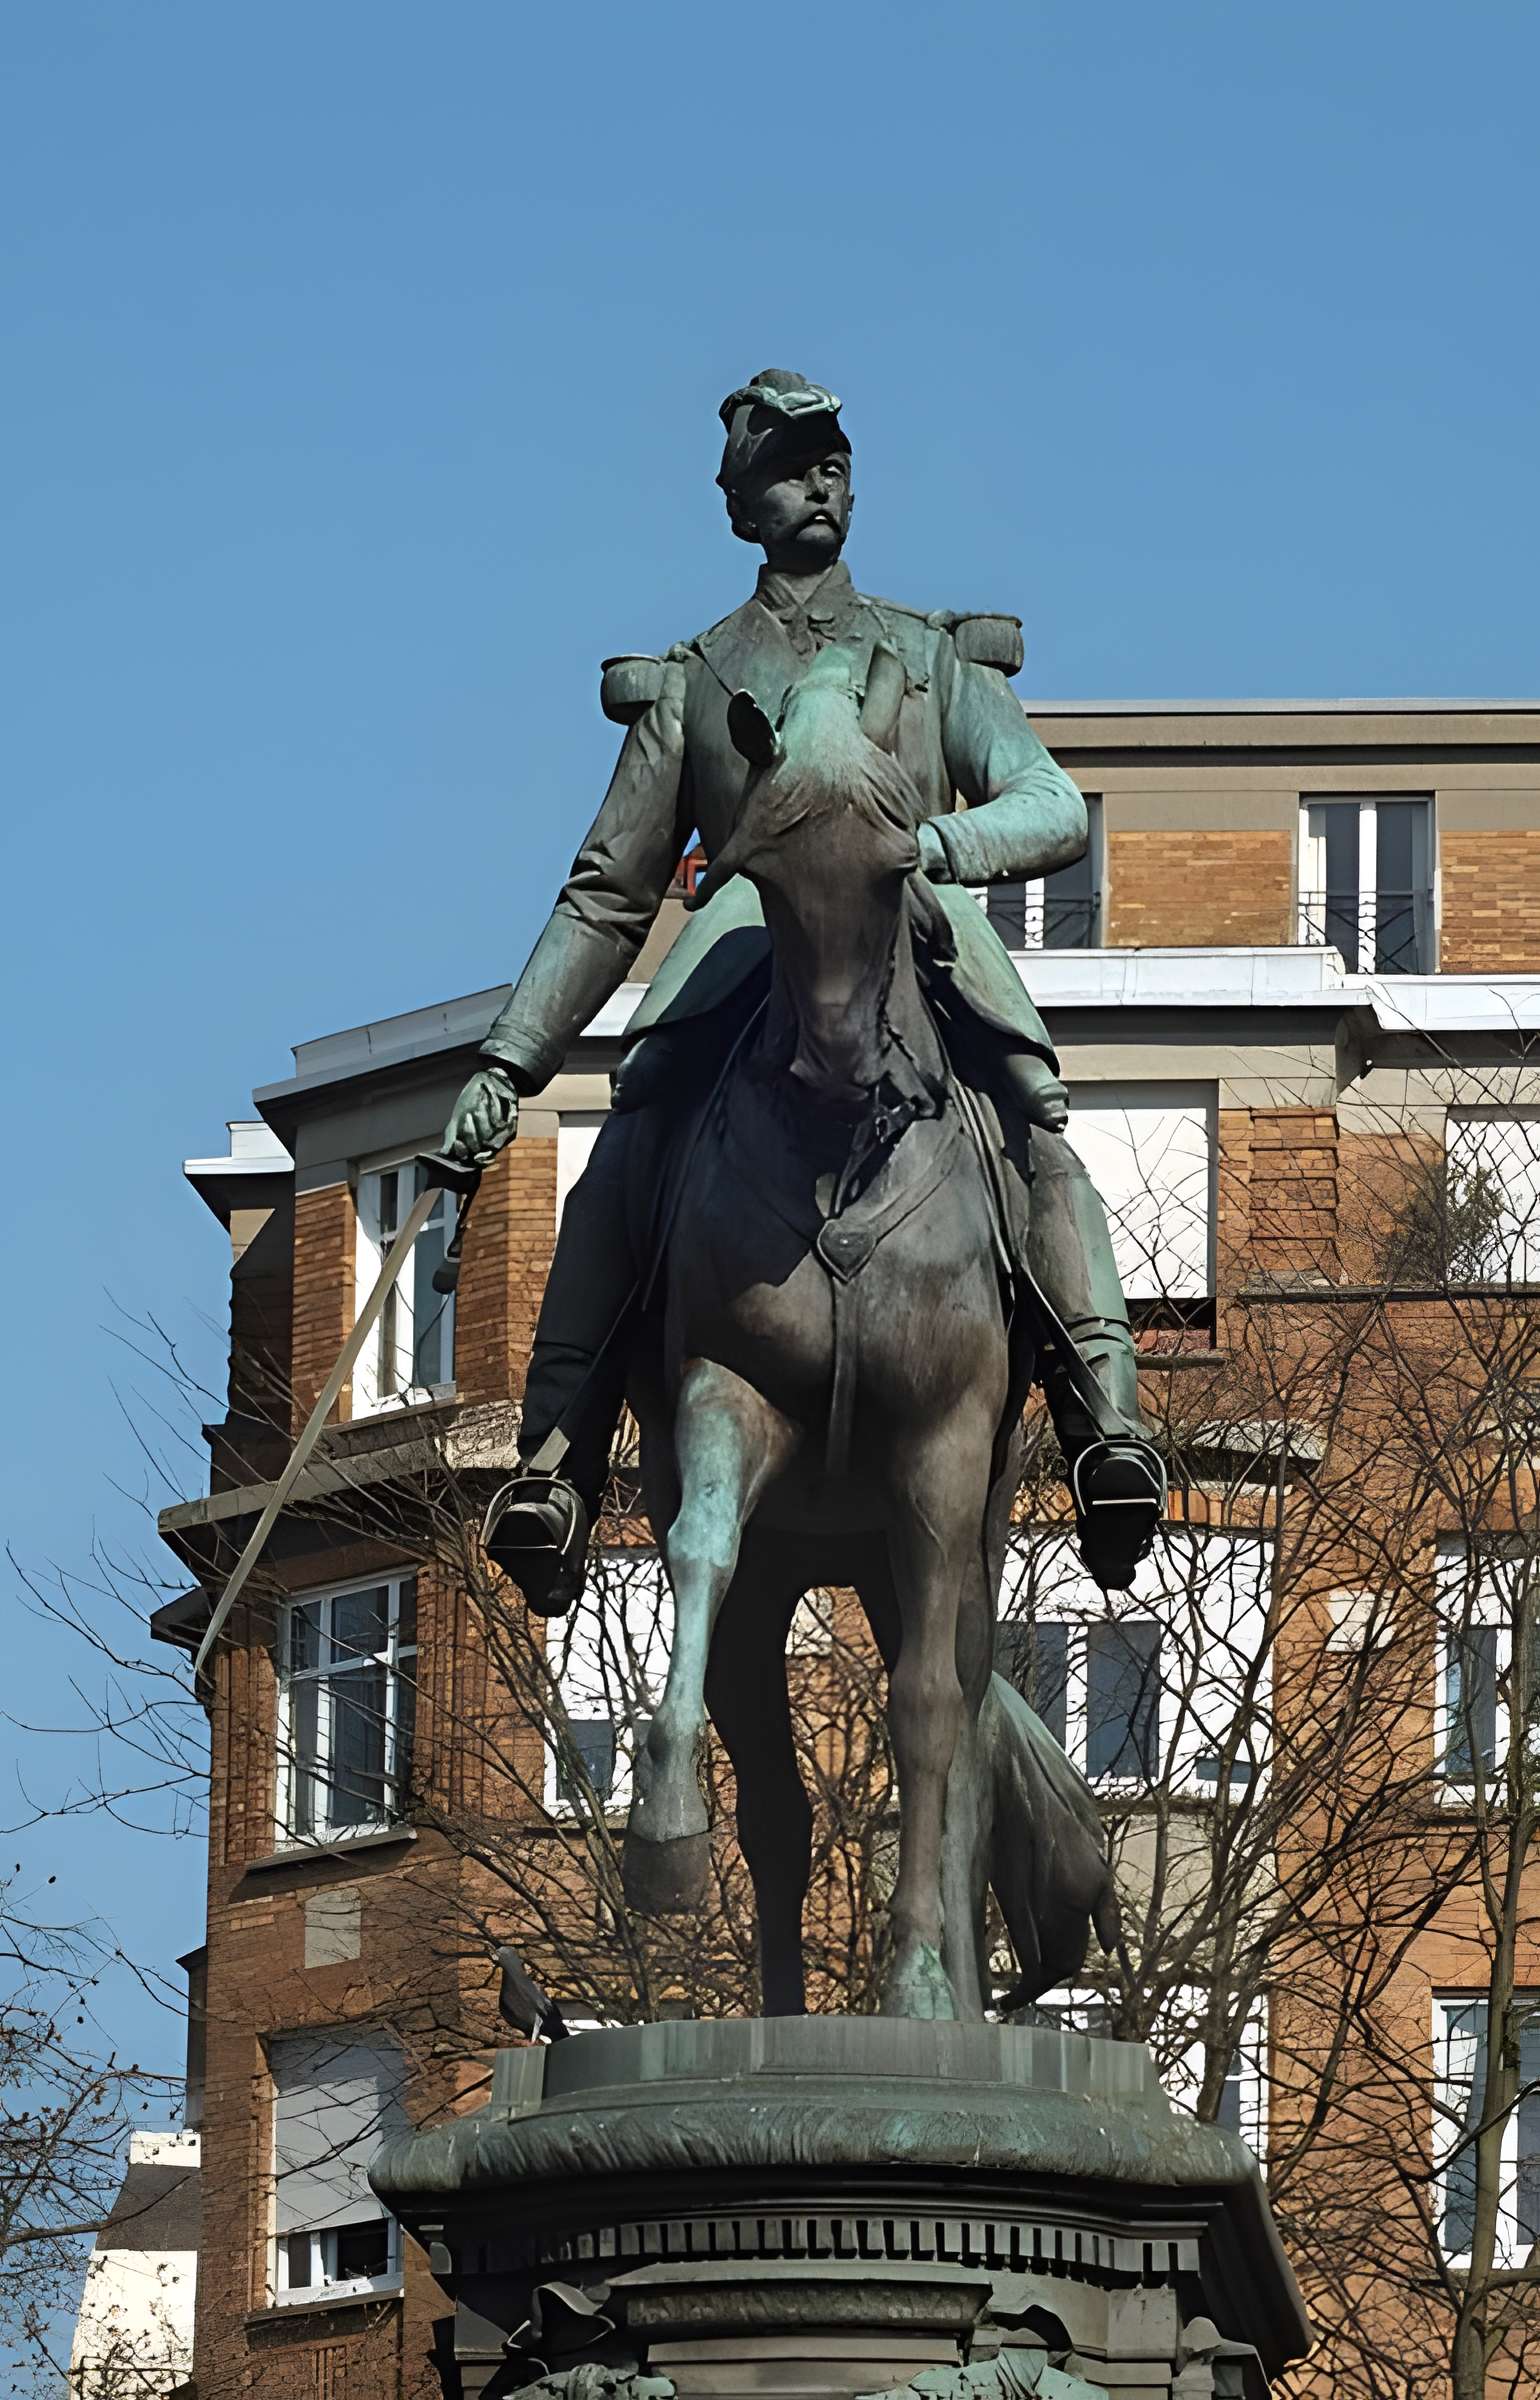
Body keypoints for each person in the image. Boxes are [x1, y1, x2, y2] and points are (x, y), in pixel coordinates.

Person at [442, 371, 1165, 1607]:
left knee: (1032, 1110)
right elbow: (609, 895)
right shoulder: (694, 683)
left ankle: (1106, 1424)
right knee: (639, 1125)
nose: (820, 481)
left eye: (832, 459)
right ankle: (556, 1457)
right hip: (742, 933)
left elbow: (1047, 807)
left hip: (913, 917)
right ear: (741, 506)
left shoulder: (929, 659)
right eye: (789, 465)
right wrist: (508, 1062)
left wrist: (931, 849)